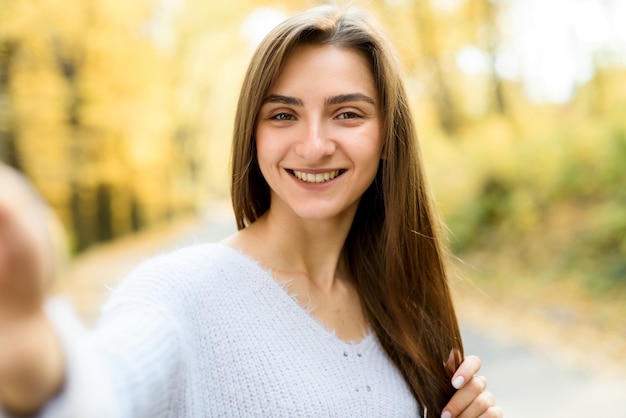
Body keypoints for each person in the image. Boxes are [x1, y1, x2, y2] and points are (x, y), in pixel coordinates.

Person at [0, 5, 502, 418]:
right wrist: (30, 353)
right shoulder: (178, 294)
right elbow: (108, 387)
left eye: (346, 114)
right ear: (253, 134)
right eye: (283, 115)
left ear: (388, 136)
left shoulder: (402, 306)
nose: (313, 145)